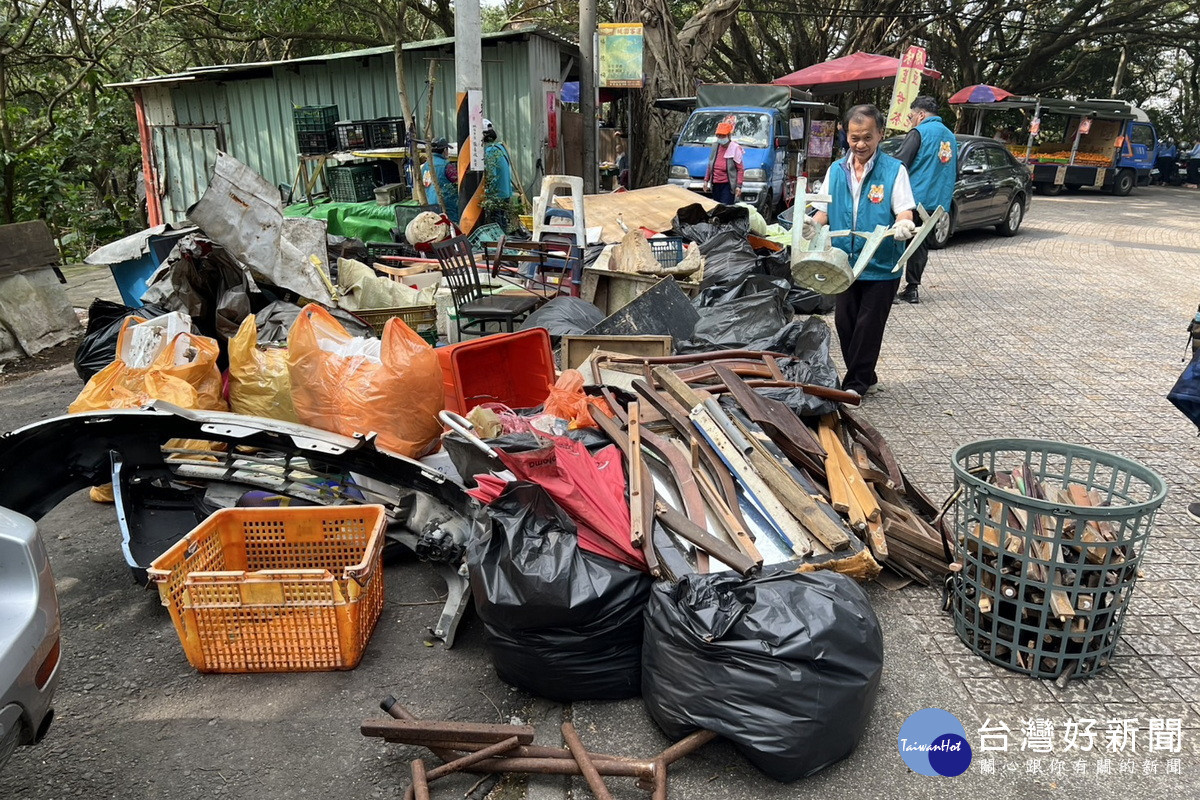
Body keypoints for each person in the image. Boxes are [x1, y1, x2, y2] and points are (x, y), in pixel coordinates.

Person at [806, 104, 916, 398]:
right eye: (854, 138)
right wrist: (809, 227)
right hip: (843, 262)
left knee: (868, 326)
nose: (861, 144)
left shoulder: (894, 170)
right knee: (845, 323)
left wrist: (905, 225)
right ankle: (867, 372)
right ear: (846, 135)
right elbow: (823, 211)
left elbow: (905, 210)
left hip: (881, 263)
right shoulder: (836, 170)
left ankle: (855, 385)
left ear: (880, 134)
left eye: (867, 137)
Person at [890, 96, 957, 305]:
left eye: (911, 116)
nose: (910, 120)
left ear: (920, 115)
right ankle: (912, 289)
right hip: (936, 204)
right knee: (920, 245)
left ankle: (889, 289)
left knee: (896, 240)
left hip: (912, 200)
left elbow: (899, 164)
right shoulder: (951, 137)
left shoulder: (918, 132)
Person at [482, 118, 517, 230]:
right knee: (502, 224)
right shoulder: (500, 148)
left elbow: (492, 176)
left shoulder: (490, 152)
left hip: (497, 195)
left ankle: (499, 245)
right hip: (506, 192)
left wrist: (486, 193)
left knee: (497, 227)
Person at [703, 121, 744, 205]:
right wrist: (706, 180)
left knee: (725, 208)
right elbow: (710, 164)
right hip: (715, 184)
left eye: (723, 135)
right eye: (718, 135)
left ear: (729, 136)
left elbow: (740, 169)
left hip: (727, 185)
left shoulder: (735, 148)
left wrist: (738, 186)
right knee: (716, 207)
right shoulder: (715, 146)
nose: (720, 138)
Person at [422, 137, 460, 224]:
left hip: (431, 204)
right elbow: (458, 183)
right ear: (444, 150)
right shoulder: (447, 166)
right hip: (448, 205)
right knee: (452, 228)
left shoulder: (425, 166)